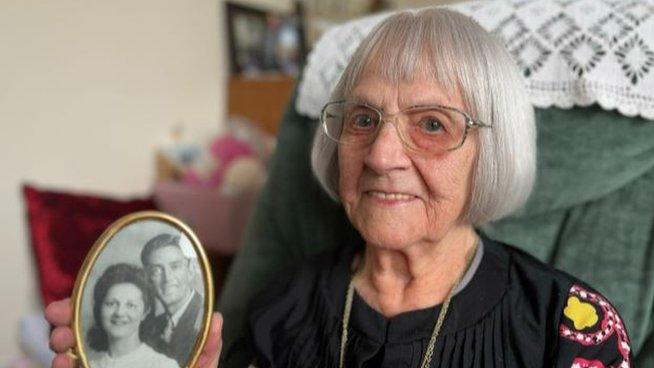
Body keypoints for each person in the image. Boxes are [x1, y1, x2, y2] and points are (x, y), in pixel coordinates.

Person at [48, 7, 632, 367]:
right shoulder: (282, 308)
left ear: (492, 151)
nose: (380, 155)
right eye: (362, 119)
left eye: (431, 124)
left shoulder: (570, 327)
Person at [86, 263, 179, 368]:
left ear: (145, 312)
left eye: (131, 305)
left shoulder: (163, 365)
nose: (119, 313)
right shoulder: (89, 365)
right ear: (100, 308)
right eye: (111, 303)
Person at [139, 233, 205, 367]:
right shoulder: (149, 327)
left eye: (175, 266)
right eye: (156, 271)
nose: (167, 278)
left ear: (191, 269)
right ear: (148, 280)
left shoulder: (204, 318)